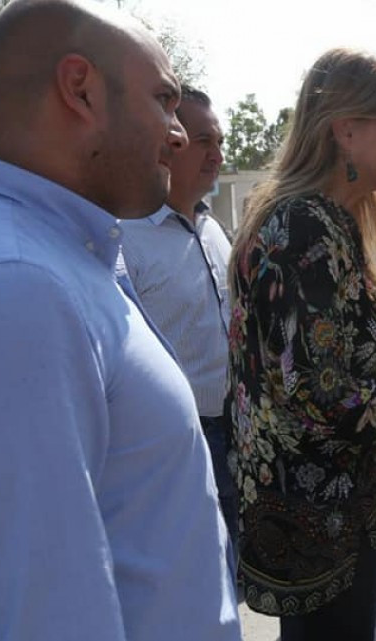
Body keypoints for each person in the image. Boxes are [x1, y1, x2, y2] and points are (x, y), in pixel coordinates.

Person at [0, 1, 240, 639]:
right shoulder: (16, 283)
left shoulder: (58, 256)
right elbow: (40, 616)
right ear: (80, 89)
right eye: (164, 101)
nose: (178, 135)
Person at [227, 48, 376, 641]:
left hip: (337, 511)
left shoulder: (332, 217)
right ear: (345, 130)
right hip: (317, 518)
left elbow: (369, 315)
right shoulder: (302, 225)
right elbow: (318, 397)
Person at [119, 86, 240, 555]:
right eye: (203, 140)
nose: (217, 155)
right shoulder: (124, 242)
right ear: (168, 141)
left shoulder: (213, 231)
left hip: (235, 429)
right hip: (176, 445)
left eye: (219, 141)